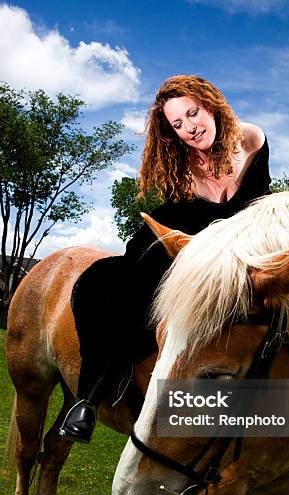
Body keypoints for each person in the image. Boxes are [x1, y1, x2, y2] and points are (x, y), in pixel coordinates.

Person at [59, 75, 271, 443]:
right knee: (111, 283)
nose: (190, 127)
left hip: (239, 239)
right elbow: (185, 219)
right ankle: (89, 398)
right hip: (187, 231)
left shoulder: (251, 139)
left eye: (193, 113)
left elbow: (261, 202)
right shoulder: (182, 164)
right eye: (178, 125)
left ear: (211, 105)